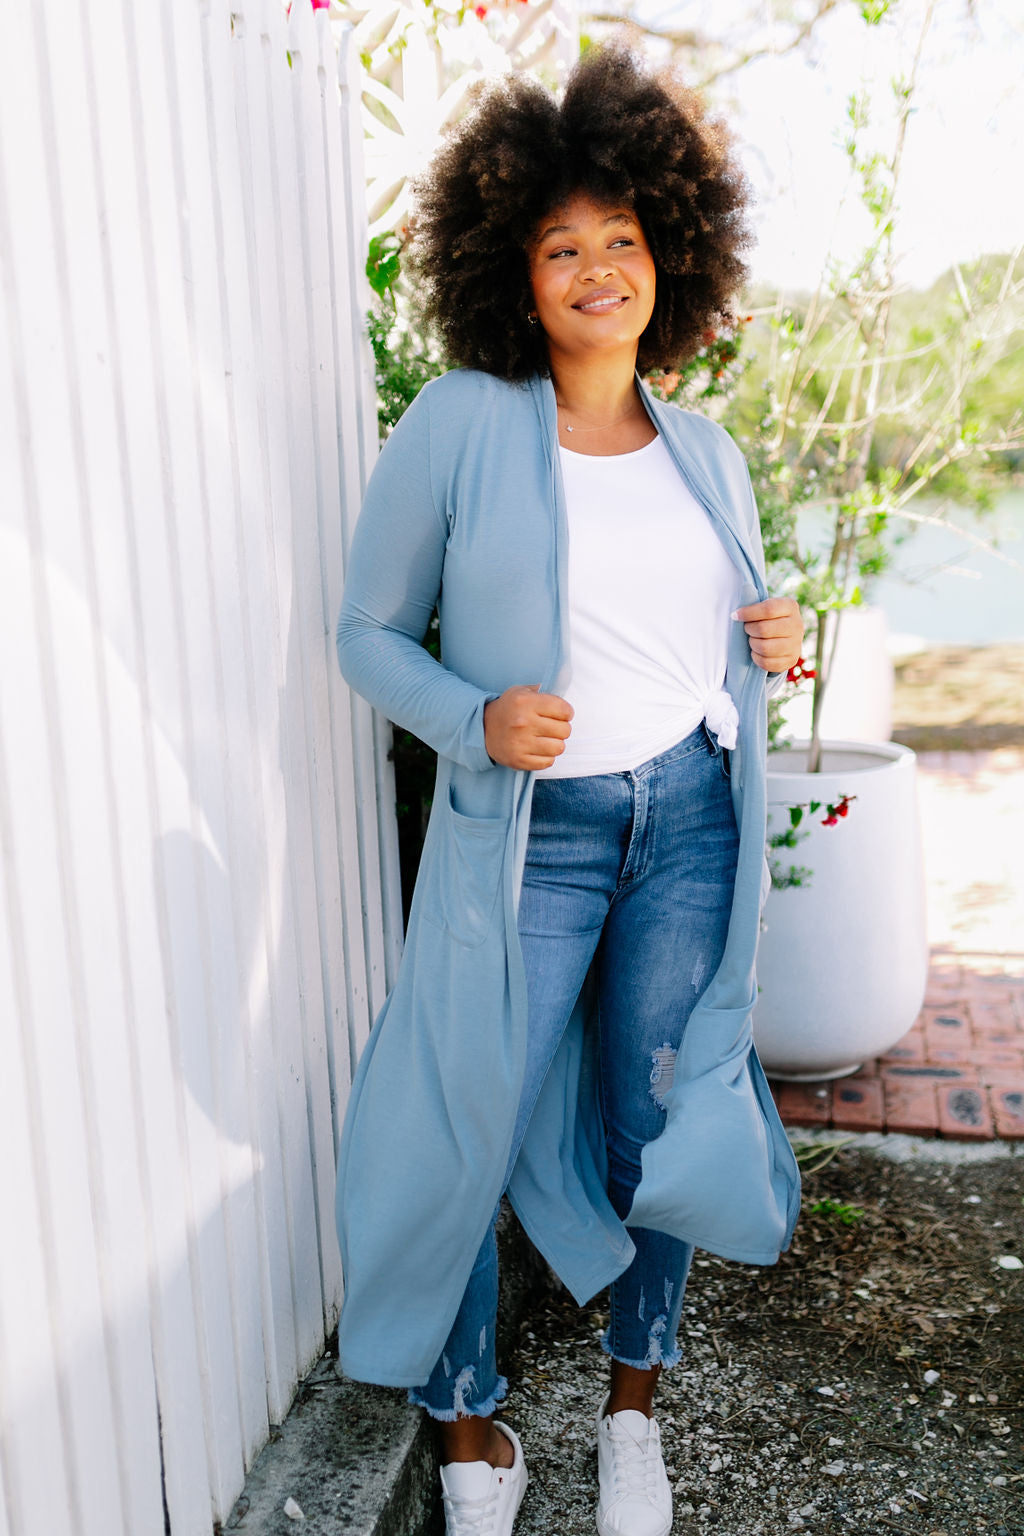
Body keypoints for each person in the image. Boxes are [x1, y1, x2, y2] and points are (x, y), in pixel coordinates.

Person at [335, 45, 805, 1536]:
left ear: (672, 251)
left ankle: (631, 1416)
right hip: (532, 842)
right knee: (465, 1125)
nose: (599, 268)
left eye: (623, 239)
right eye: (562, 246)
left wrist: (775, 639)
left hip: (688, 820)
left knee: (655, 1124)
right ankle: (473, 1436)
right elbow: (362, 634)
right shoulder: (465, 423)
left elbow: (710, 634)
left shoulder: (707, 451)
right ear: (513, 269)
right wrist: (477, 718)